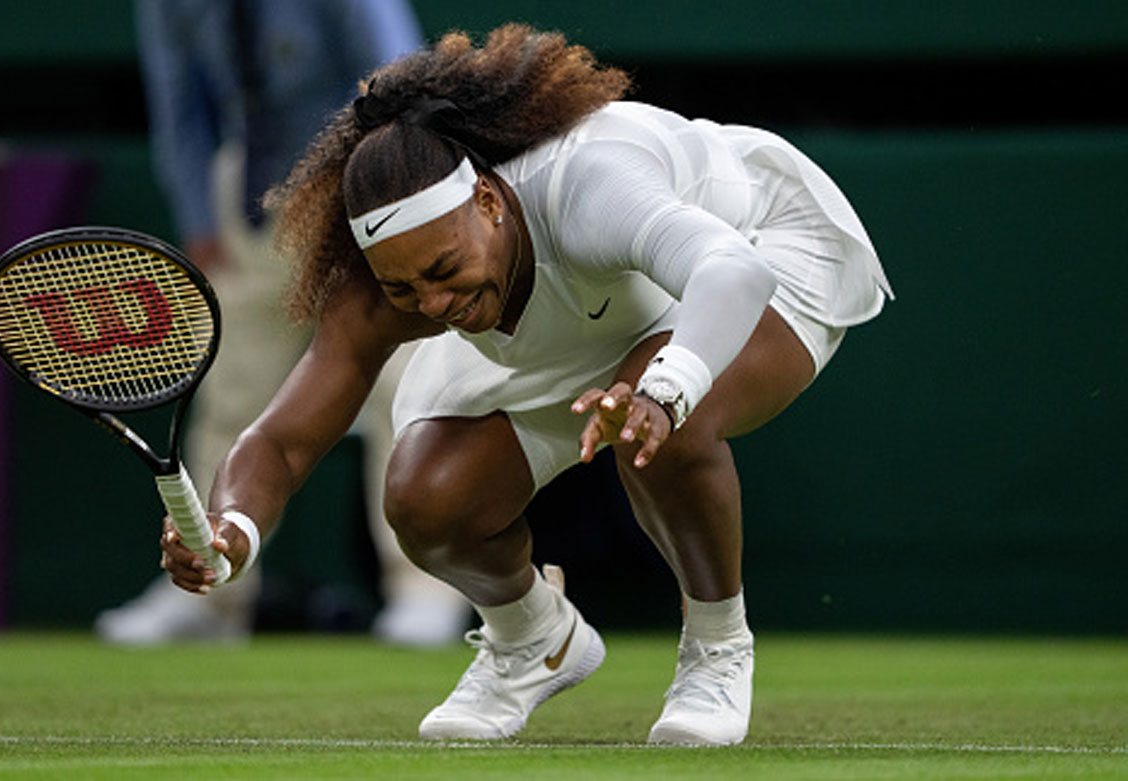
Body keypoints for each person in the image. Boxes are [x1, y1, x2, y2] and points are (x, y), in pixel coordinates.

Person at [158, 24, 894, 744]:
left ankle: (717, 648)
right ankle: (533, 640)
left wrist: (664, 389)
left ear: (486, 201)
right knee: (424, 497)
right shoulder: (391, 283)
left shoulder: (589, 185)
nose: (434, 304)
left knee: (671, 419)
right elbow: (282, 441)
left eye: (443, 271)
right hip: (573, 319)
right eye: (407, 289)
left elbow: (729, 270)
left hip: (761, 247)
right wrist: (232, 530)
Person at [96, 0, 472, 647]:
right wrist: (197, 216)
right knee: (229, 395)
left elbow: (396, 76)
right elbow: (177, 97)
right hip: (252, 195)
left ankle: (426, 589)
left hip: (362, 187)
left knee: (405, 389)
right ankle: (212, 590)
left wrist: (386, 196)